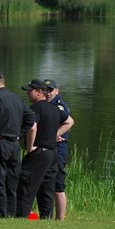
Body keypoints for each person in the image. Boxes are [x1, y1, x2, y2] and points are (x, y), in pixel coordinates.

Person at [0, 70, 36, 218]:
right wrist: (19, 134)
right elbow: (30, 118)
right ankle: (11, 213)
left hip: (0, 145)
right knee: (12, 181)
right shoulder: (16, 98)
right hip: (14, 146)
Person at [16, 79, 74, 219]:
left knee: (26, 185)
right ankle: (46, 217)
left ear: (39, 92)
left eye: (30, 91)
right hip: (52, 153)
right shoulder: (54, 109)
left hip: (39, 152)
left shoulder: (36, 108)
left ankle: (20, 217)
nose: (28, 93)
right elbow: (69, 121)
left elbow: (32, 127)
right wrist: (54, 135)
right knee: (46, 189)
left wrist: (30, 147)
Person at [44, 79, 71, 220]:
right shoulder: (46, 105)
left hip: (59, 149)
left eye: (51, 90)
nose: (48, 93)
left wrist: (54, 135)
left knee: (58, 185)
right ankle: (48, 216)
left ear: (57, 91)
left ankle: (60, 219)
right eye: (46, 90)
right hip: (50, 148)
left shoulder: (58, 106)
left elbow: (69, 122)